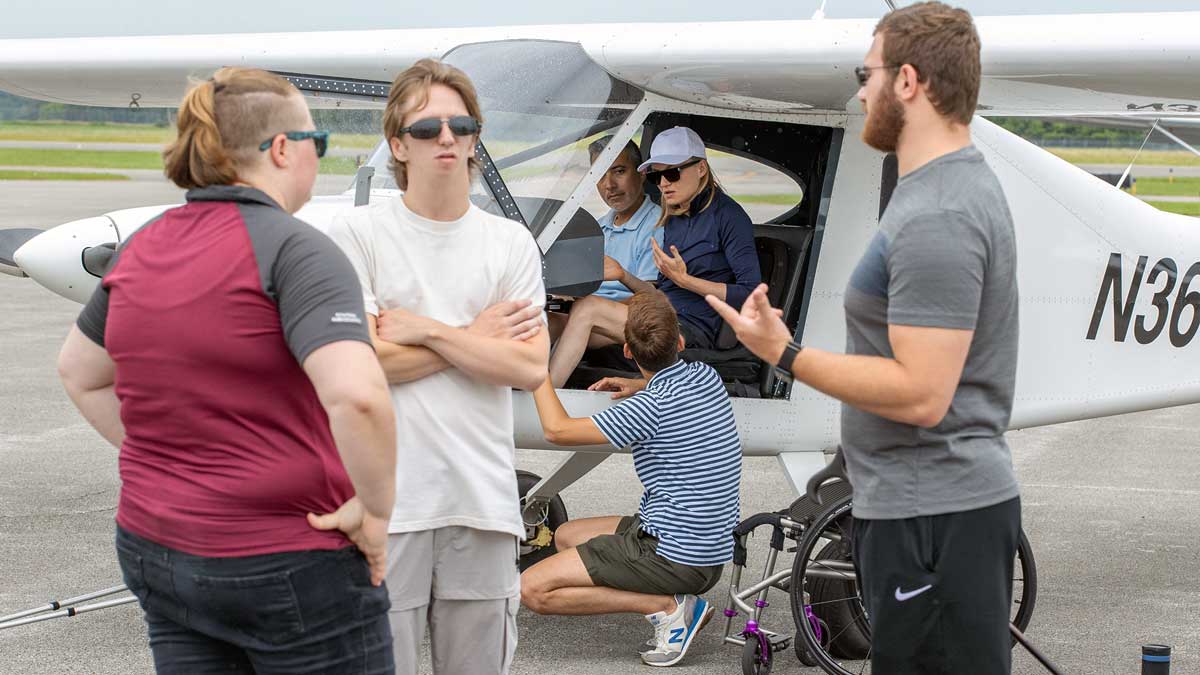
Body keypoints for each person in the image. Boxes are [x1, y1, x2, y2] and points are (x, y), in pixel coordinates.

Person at [707, 3, 1021, 674]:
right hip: (919, 511)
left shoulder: (940, 211)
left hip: (933, 518)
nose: (859, 90)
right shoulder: (934, 190)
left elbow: (922, 393)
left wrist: (784, 354)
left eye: (866, 72)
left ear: (908, 81)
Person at [56, 67, 398, 673]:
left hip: (156, 545)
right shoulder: (297, 249)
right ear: (284, 149)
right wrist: (373, 512)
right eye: (316, 144)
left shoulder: (143, 245)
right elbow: (360, 398)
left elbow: (81, 373)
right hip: (287, 559)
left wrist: (178, 462)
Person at [326, 58, 549, 675]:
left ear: (475, 137)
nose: (446, 138)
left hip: (481, 501)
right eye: (427, 129)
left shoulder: (509, 242)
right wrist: (478, 341)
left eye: (461, 125)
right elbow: (360, 366)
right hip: (385, 507)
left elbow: (529, 366)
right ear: (397, 143)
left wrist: (426, 330)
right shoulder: (358, 233)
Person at [522, 291, 742, 668]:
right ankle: (672, 598)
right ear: (681, 343)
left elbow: (557, 431)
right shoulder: (706, 377)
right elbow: (666, 392)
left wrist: (535, 371)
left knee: (532, 590)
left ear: (627, 350)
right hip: (707, 549)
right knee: (564, 536)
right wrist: (637, 385)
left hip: (676, 556)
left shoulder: (650, 409)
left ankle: (668, 607)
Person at [548, 126, 761, 387]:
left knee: (589, 308)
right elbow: (659, 295)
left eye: (671, 173)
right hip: (661, 314)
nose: (663, 184)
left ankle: (545, 401)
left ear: (701, 169)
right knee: (554, 318)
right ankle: (514, 390)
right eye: (657, 177)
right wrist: (623, 275)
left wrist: (687, 281)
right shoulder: (672, 217)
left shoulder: (729, 217)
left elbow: (752, 294)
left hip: (690, 329)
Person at [547, 136, 662, 339]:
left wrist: (587, 309)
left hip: (626, 320)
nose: (609, 185)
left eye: (619, 171)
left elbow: (650, 298)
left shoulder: (656, 226)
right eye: (600, 175)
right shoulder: (597, 228)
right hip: (588, 311)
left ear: (642, 173)